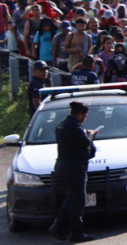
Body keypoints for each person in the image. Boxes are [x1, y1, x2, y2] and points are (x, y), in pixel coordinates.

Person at [48, 101, 97, 242]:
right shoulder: (74, 126)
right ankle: (76, 233)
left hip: (63, 166)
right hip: (74, 168)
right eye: (85, 116)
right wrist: (91, 135)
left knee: (71, 199)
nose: (85, 118)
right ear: (79, 114)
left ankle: (57, 226)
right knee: (78, 201)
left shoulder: (63, 124)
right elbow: (84, 143)